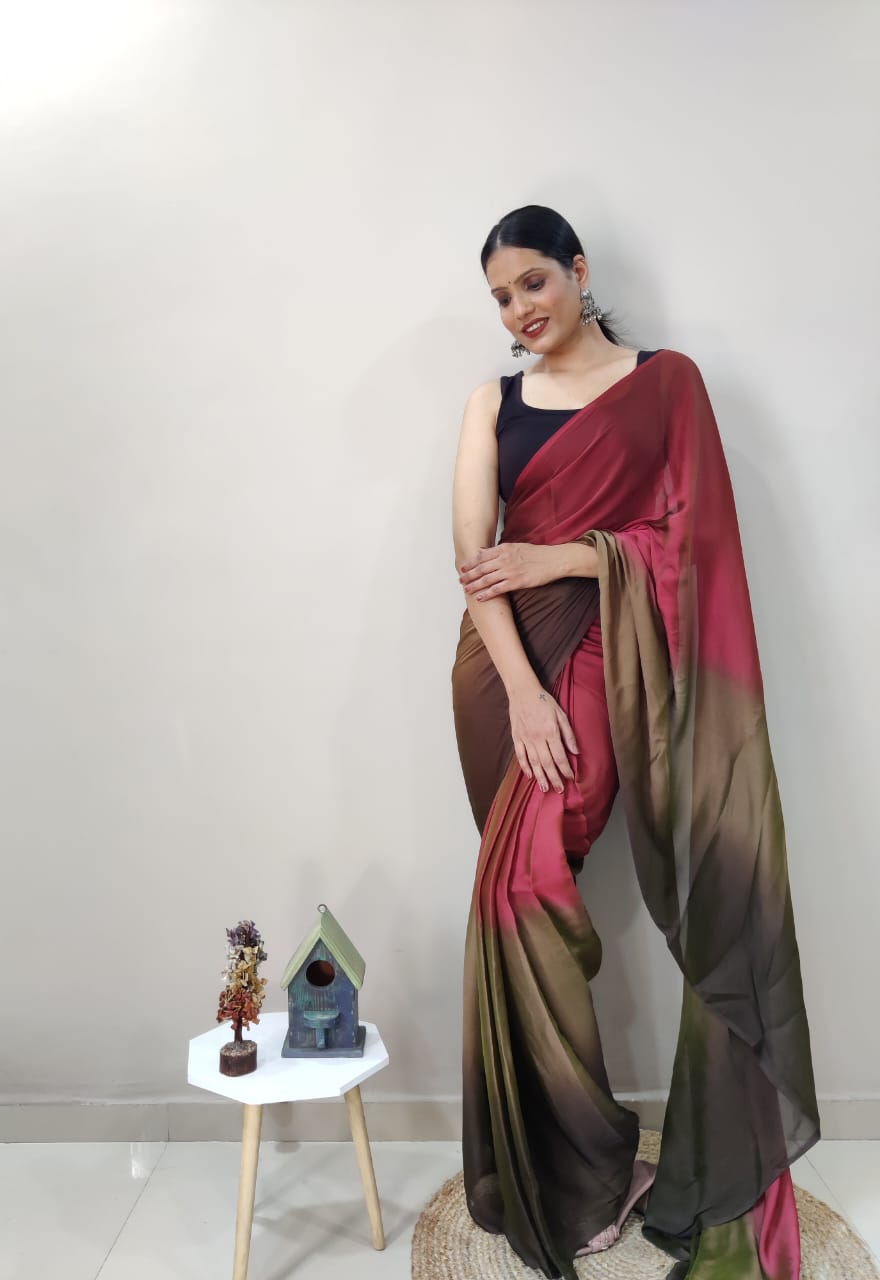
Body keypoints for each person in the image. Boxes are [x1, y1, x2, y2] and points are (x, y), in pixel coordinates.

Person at [450, 205, 819, 1280]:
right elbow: (476, 564)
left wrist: (570, 557)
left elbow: (695, 539)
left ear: (578, 269)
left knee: (518, 895)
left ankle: (589, 1163)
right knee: (512, 897)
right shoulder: (491, 402)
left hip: (614, 659)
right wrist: (524, 695)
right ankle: (586, 1161)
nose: (519, 310)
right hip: (507, 677)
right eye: (500, 297)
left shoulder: (667, 384)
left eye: (532, 282)